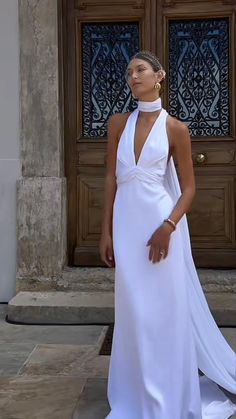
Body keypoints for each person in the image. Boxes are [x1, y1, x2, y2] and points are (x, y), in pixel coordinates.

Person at [99, 50, 236, 419]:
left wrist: (168, 226)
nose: (133, 77)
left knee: (164, 313)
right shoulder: (117, 124)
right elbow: (111, 178)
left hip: (162, 229)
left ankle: (170, 394)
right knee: (135, 313)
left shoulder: (176, 128)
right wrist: (105, 231)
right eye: (129, 72)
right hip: (128, 228)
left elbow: (188, 189)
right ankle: (136, 393)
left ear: (159, 76)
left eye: (140, 70)